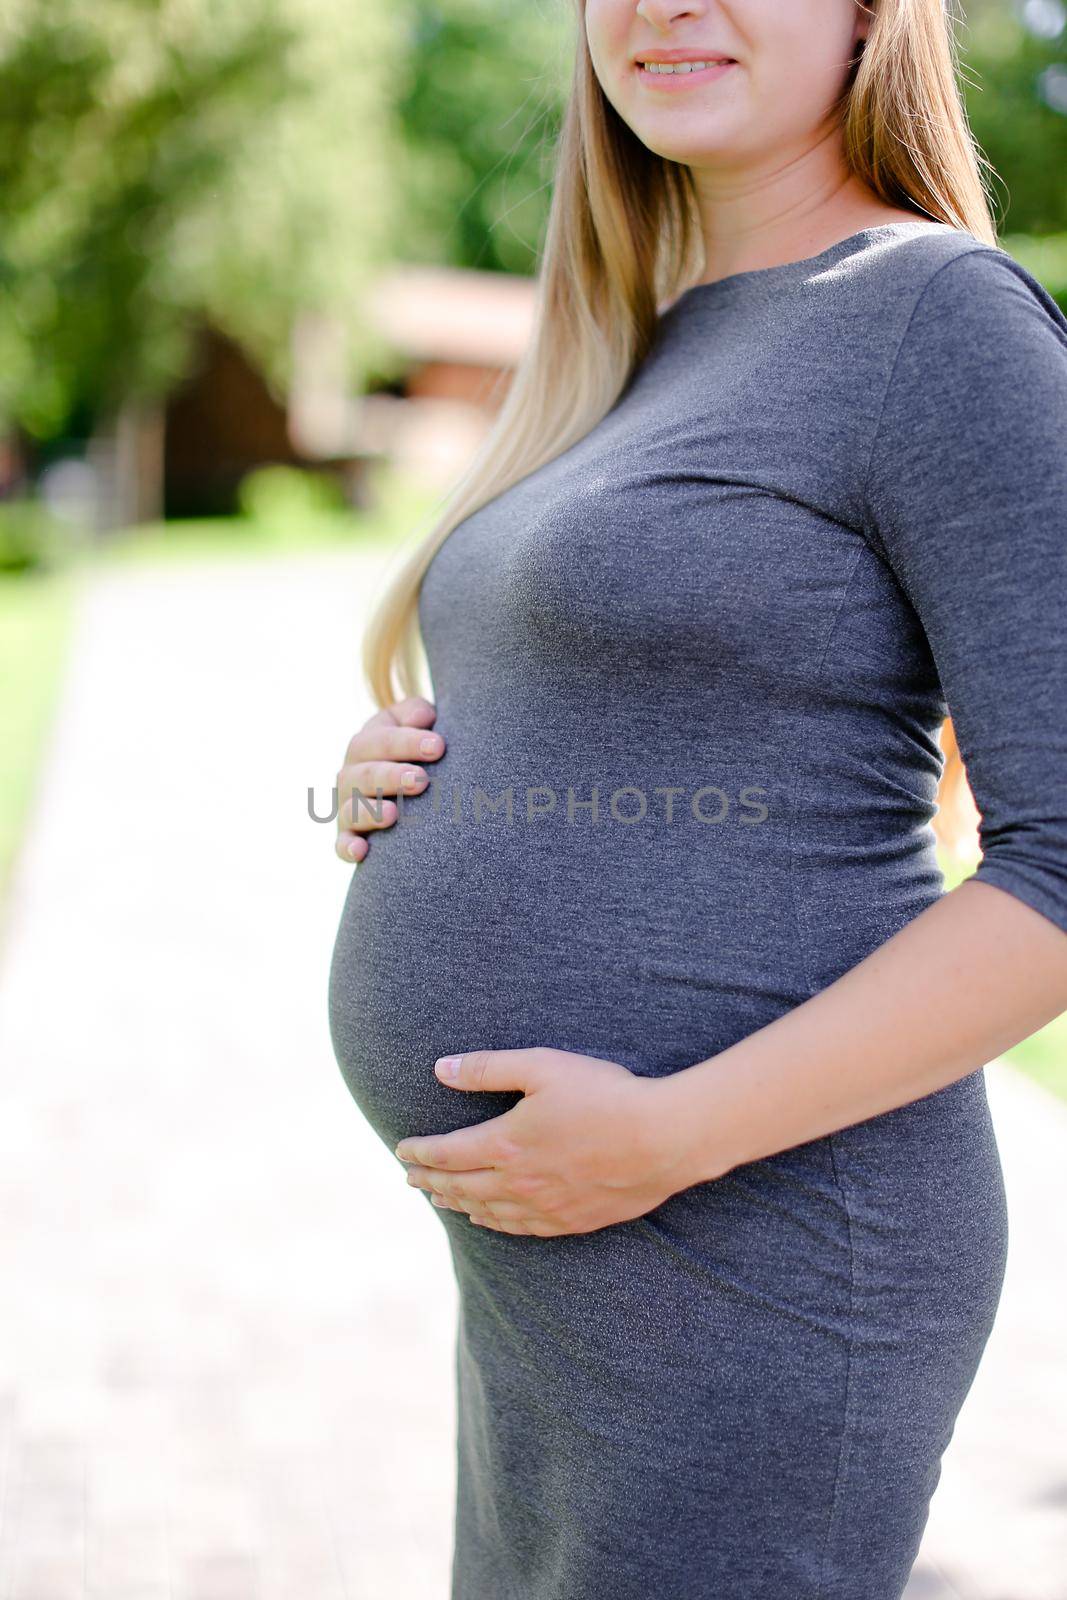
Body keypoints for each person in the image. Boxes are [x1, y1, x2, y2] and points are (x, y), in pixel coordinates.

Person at [327, 1, 1067, 1595]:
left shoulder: (937, 318)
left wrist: (672, 1135)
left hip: (764, 1248)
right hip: (562, 1265)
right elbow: (654, 699)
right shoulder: (643, 330)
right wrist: (419, 776)